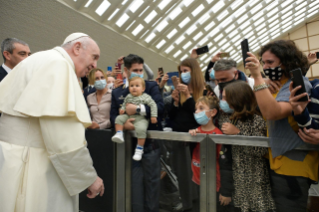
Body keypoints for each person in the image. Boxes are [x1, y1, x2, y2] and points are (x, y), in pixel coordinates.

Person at [0, 33, 104, 211]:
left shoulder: (41, 58)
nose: (95, 65)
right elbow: (63, 137)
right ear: (77, 48)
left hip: (13, 158)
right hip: (32, 164)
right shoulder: (58, 64)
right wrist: (89, 177)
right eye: (94, 57)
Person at [246, 39, 319, 212]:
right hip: (277, 162)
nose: (265, 67)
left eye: (270, 62)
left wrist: (257, 77)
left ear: (286, 63)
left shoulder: (297, 85)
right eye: (263, 63)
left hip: (294, 166)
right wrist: (262, 81)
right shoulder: (275, 85)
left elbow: (272, 113)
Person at [110, 54, 164, 212]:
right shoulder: (118, 93)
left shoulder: (151, 87)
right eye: (135, 70)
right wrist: (123, 124)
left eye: (141, 70)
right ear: (126, 71)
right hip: (129, 148)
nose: (139, 73)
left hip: (150, 147)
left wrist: (139, 109)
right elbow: (112, 116)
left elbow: (160, 109)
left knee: (152, 188)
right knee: (134, 190)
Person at [221, 81, 276, 212]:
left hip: (256, 179)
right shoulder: (232, 118)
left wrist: (238, 133)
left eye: (225, 97)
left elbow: (261, 150)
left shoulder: (256, 120)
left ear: (236, 98)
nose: (222, 101)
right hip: (239, 179)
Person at [169, 58, 205, 211]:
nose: (183, 74)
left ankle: (195, 202)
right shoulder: (181, 91)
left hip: (195, 141)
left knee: (195, 174)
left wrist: (189, 97)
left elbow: (199, 116)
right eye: (181, 71)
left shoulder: (202, 91)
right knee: (183, 175)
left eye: (185, 71)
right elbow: (172, 116)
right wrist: (175, 102)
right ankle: (187, 201)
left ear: (194, 71)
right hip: (180, 139)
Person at [189, 96, 234, 210]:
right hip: (197, 181)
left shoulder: (218, 136)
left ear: (213, 112)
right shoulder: (196, 132)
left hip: (214, 185)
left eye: (201, 108)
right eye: (196, 109)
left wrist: (225, 190)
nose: (197, 112)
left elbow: (225, 165)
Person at [112, 77, 158, 161]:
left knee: (141, 129)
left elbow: (153, 105)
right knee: (118, 119)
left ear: (143, 88)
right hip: (128, 116)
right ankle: (119, 133)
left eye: (137, 86)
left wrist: (153, 116)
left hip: (141, 118)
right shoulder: (128, 96)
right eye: (131, 85)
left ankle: (139, 149)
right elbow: (124, 103)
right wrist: (122, 109)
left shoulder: (146, 97)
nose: (134, 87)